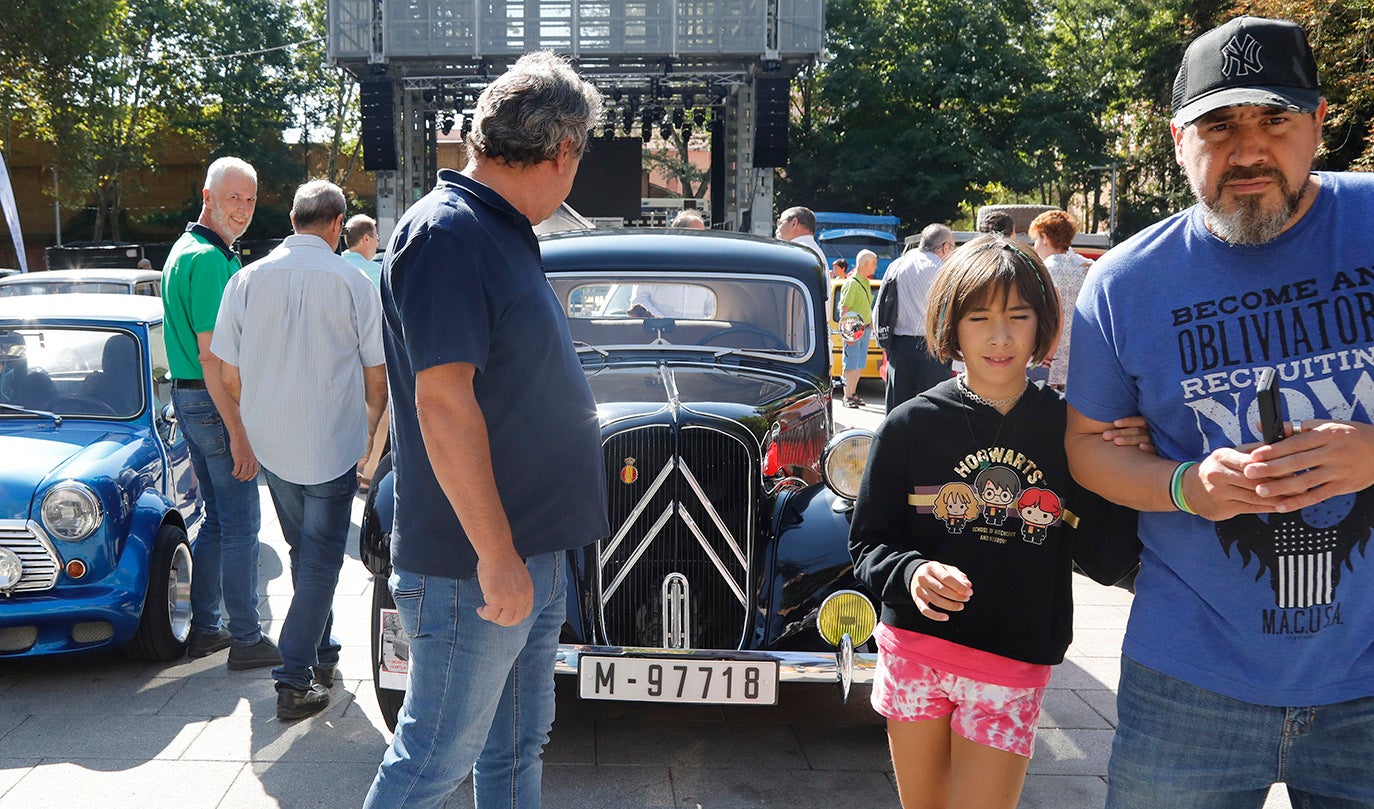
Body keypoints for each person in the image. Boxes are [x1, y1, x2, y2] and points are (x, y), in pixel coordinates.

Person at [1064, 16, 1374, 808]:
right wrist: (1183, 486)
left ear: (1318, 120)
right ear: (1178, 140)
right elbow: (1090, 450)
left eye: (1274, 119)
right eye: (1218, 124)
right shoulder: (1124, 282)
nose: (1247, 150)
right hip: (1189, 678)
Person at [364, 52, 610, 809]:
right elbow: (443, 403)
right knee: (433, 761)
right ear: (564, 150)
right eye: (580, 158)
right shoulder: (449, 233)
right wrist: (497, 555)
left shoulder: (490, 227)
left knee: (512, 750)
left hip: (523, 554)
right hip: (476, 565)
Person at [849, 235, 1147, 809]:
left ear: (1043, 325)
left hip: (1012, 657)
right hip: (914, 649)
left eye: (1018, 316)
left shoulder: (1071, 432)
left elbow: (1108, 557)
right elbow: (867, 544)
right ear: (951, 327)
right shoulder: (908, 425)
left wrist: (1132, 462)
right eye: (979, 317)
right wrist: (910, 573)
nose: (1000, 336)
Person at [210, 180, 387, 721]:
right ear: (337, 226)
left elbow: (228, 372)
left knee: (306, 556)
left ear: (292, 220)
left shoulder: (245, 279)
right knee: (319, 562)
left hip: (273, 443)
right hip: (332, 440)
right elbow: (376, 376)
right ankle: (293, 676)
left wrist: (256, 417)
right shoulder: (354, 282)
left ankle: (323, 654)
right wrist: (372, 431)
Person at [160, 156, 279, 670]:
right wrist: (240, 433)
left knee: (217, 522)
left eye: (251, 199)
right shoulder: (208, 260)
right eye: (235, 197)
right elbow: (214, 358)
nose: (245, 209)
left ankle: (206, 627)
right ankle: (247, 636)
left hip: (193, 398)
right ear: (207, 196)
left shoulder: (189, 251)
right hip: (214, 403)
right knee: (241, 523)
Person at [876, 223, 955, 412]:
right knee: (932, 410)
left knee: (898, 411)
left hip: (899, 347)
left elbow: (880, 307)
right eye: (953, 247)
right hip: (933, 349)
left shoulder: (896, 265)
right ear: (945, 247)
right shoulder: (944, 270)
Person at [1026, 210, 1089, 389]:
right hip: (1080, 359)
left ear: (1045, 237)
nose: (1035, 246)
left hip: (1048, 358)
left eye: (1036, 239)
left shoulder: (1043, 271)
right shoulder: (1087, 267)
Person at [838, 249, 876, 408]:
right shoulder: (852, 283)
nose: (875, 267)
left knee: (859, 364)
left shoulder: (865, 282)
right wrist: (847, 335)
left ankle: (852, 394)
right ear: (866, 264)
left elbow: (865, 306)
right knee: (850, 364)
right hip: (854, 331)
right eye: (874, 263)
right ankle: (847, 396)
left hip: (864, 329)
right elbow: (844, 310)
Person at [341, 214, 382, 287]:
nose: (377, 244)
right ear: (366, 238)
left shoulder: (333, 266)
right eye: (377, 238)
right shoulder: (378, 273)